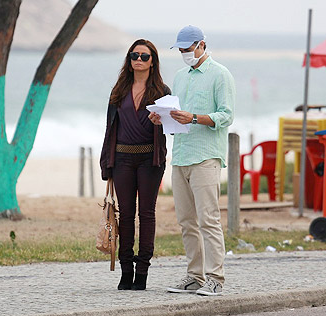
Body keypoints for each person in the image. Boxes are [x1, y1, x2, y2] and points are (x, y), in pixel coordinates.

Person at [149, 25, 235, 297]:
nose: (185, 53)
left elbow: (226, 116)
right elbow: (178, 116)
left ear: (201, 44)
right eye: (181, 50)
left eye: (188, 48)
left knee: (208, 219)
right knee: (186, 220)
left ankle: (215, 278)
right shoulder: (181, 76)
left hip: (206, 156)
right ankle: (194, 276)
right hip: (182, 154)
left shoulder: (220, 75)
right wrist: (162, 118)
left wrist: (196, 117)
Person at [100, 40, 169, 291]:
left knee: (146, 214)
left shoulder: (162, 91)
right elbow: (109, 129)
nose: (138, 59)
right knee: (125, 215)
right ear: (129, 60)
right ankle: (125, 270)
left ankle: (142, 273)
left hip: (150, 160)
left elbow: (173, 129)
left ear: (153, 61)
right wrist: (107, 163)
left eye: (144, 55)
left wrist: (161, 121)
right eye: (134, 55)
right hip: (122, 160)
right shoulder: (118, 90)